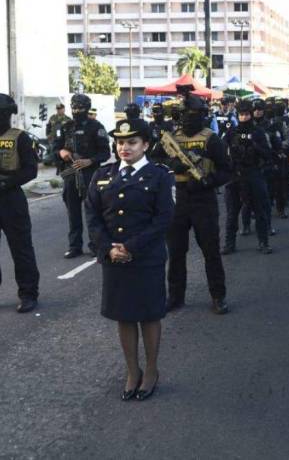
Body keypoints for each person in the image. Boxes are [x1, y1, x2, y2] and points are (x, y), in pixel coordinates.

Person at [86, 118, 175, 402]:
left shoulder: (160, 176)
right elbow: (93, 215)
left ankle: (151, 370)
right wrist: (108, 248)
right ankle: (131, 370)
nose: (124, 147)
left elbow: (163, 219)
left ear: (146, 145)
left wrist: (130, 247)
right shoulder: (104, 173)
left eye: (132, 142)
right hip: (113, 257)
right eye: (120, 142)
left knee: (148, 314)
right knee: (123, 315)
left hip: (145, 257)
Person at [163, 95, 232, 315]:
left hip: (204, 199)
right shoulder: (171, 138)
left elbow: (226, 170)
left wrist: (209, 181)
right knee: (175, 252)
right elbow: (155, 163)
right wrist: (171, 165)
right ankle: (175, 296)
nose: (188, 119)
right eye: (184, 115)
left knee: (211, 251)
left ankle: (218, 296)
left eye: (192, 115)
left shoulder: (212, 139)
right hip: (178, 199)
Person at [53, 94, 111, 259]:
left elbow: (105, 153)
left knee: (93, 213)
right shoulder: (65, 127)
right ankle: (75, 246)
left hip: (90, 175)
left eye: (81, 108)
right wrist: (60, 152)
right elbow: (54, 149)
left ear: (87, 108)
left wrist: (89, 161)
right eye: (75, 108)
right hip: (71, 175)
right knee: (73, 213)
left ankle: (96, 245)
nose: (77, 111)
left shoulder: (96, 127)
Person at [0, 94, 40, 313]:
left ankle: (28, 294)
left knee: (21, 249)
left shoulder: (20, 138)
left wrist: (7, 183)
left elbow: (31, 169)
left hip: (11, 200)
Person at [222, 100, 273, 255]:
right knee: (232, 213)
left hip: (253, 173)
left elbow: (268, 154)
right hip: (235, 175)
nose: (243, 118)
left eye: (246, 114)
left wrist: (254, 146)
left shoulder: (258, 132)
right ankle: (229, 244)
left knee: (260, 211)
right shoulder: (232, 131)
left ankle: (263, 242)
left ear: (250, 115)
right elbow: (221, 150)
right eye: (241, 115)